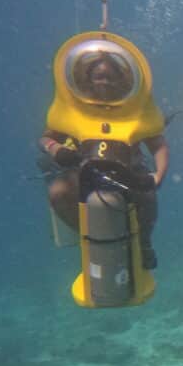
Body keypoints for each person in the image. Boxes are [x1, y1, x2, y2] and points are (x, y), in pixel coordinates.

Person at [39, 53, 169, 268]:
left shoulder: (135, 107)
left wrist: (158, 176)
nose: (104, 82)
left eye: (110, 77)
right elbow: (46, 138)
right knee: (58, 192)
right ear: (88, 79)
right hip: (82, 170)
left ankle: (143, 243)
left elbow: (159, 145)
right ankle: (90, 239)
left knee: (147, 197)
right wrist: (56, 150)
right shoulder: (75, 107)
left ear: (122, 79)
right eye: (99, 77)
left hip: (129, 169)